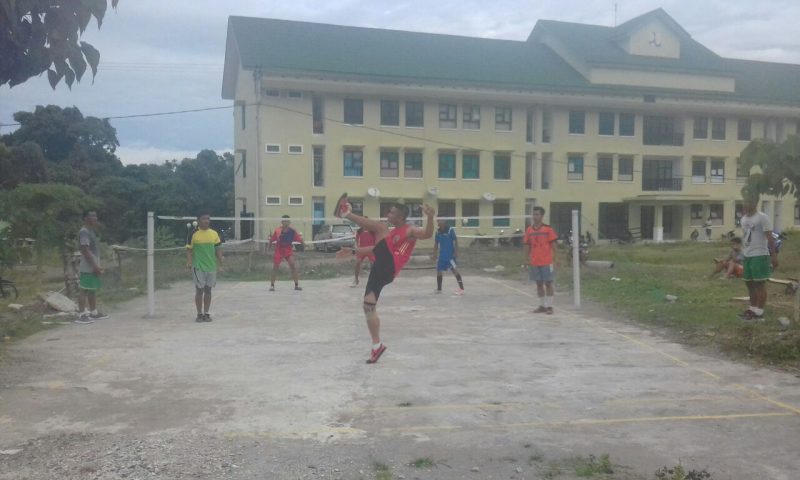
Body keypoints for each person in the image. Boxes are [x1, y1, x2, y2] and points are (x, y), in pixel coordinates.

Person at [334, 195, 435, 364]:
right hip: (381, 267)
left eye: (392, 213)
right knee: (368, 306)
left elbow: (427, 234)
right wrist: (353, 251)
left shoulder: (409, 230)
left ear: (401, 217)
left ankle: (345, 213)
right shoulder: (391, 234)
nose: (388, 215)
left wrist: (430, 218)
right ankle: (377, 346)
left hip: (391, 265)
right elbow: (376, 249)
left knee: (380, 228)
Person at [738, 195, 778, 320]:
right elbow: (745, 237)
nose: (747, 203)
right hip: (747, 255)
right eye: (745, 200)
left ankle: (759, 313)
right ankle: (752, 309)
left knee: (759, 283)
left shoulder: (762, 217)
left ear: (755, 202)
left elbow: (770, 238)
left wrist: (774, 256)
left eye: (749, 200)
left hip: (760, 254)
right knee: (749, 283)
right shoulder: (743, 219)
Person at [186, 213, 223, 322]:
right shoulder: (193, 234)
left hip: (211, 266)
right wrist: (188, 262)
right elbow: (189, 249)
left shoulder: (214, 234)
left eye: (208, 219)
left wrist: (221, 260)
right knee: (199, 290)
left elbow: (218, 248)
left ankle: (206, 313)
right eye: (204, 219)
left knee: (208, 290)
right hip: (198, 267)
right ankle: (199, 314)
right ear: (198, 220)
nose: (206, 221)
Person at [523, 206, 558, 314]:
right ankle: (542, 305)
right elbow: (527, 245)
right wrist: (525, 259)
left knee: (548, 283)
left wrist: (556, 258)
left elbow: (554, 245)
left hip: (547, 261)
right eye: (534, 214)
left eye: (537, 214)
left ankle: (550, 306)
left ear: (542, 216)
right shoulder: (529, 229)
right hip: (535, 261)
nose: (535, 216)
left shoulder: (548, 229)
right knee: (538, 283)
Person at [76, 210, 109, 324]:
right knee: (84, 289)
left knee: (92, 289)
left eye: (96, 215)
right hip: (88, 265)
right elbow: (85, 249)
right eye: (92, 216)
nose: (95, 218)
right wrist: (94, 266)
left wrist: (97, 265)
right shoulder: (84, 232)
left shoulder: (91, 231)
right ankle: (81, 314)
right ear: (85, 218)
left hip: (93, 264)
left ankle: (93, 312)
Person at [269, 215, 303, 291]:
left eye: (287, 221)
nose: (286, 222)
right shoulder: (278, 231)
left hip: (288, 250)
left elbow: (300, 239)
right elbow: (271, 240)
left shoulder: (292, 231)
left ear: (289, 222)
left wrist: (304, 244)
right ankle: (272, 286)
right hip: (279, 250)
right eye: (284, 221)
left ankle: (296, 285)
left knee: (293, 265)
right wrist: (269, 247)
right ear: (282, 222)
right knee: (275, 267)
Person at [432, 219, 464, 294]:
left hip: (450, 256)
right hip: (442, 256)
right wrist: (434, 254)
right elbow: (436, 243)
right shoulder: (437, 232)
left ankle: (461, 289)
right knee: (438, 271)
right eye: (438, 220)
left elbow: (455, 240)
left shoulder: (450, 230)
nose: (438, 222)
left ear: (444, 221)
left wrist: (456, 251)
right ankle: (439, 289)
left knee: (454, 270)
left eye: (440, 220)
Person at [352, 222, 376, 287]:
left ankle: (373, 280)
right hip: (362, 249)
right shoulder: (359, 231)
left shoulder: (372, 231)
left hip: (370, 250)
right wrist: (356, 247)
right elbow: (356, 241)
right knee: (357, 263)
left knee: (373, 264)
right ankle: (356, 280)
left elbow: (376, 240)